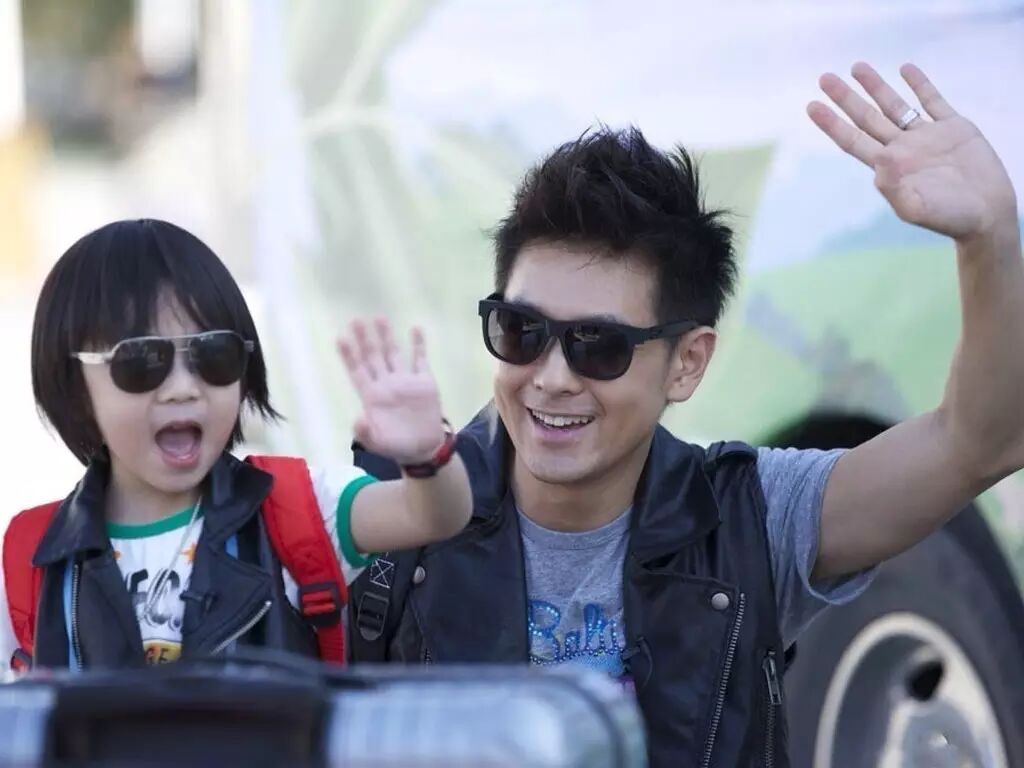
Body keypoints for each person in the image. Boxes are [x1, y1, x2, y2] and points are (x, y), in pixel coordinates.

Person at [348, 62, 1023, 767]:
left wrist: (990, 240)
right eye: (521, 331)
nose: (551, 378)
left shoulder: (748, 518)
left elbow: (981, 442)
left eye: (598, 346)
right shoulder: (393, 511)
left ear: (688, 362)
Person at [1, 218, 471, 670]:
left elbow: (434, 516)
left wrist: (426, 457)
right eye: (141, 361)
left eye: (213, 354)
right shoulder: (28, 558)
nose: (183, 387)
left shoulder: (297, 507)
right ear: (75, 388)